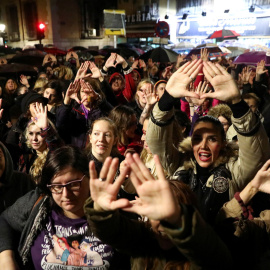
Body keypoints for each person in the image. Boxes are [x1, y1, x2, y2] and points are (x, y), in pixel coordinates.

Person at [146, 59, 270, 224]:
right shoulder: (178, 163)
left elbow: (256, 153)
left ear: (223, 143)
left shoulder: (234, 171)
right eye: (197, 139)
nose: (203, 146)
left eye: (212, 139)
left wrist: (236, 102)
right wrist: (167, 99)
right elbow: (156, 143)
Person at [85, 153, 233, 270]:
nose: (164, 223)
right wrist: (100, 210)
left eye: (170, 216)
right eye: (158, 214)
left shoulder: (203, 247)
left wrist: (177, 219)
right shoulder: (144, 239)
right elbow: (114, 232)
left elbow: (214, 257)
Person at [0, 145, 123, 269]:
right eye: (57, 186)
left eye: (74, 184)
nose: (66, 194)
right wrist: (6, 259)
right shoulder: (39, 204)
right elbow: (5, 220)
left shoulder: (111, 215)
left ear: (90, 178)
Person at [56, 79, 112, 149]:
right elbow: (60, 124)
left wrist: (98, 98)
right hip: (76, 151)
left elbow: (113, 114)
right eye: (82, 91)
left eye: (88, 91)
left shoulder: (102, 110)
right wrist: (67, 101)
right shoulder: (74, 110)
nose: (85, 94)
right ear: (79, 94)